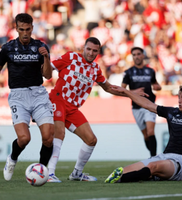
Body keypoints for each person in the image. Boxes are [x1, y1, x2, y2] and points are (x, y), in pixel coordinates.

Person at [47, 37, 135, 183]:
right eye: (89, 49)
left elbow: (108, 88)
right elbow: (49, 68)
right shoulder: (71, 57)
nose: (91, 53)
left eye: (95, 51)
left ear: (98, 52)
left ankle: (76, 173)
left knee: (91, 140)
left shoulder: (95, 69)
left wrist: (131, 94)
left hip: (72, 108)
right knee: (59, 133)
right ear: (83, 48)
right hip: (58, 99)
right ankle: (50, 173)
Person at [0, 13, 54, 181]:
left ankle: (41, 171)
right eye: (22, 30)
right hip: (18, 96)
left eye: (28, 29)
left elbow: (48, 76)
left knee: (48, 137)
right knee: (24, 138)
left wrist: (46, 58)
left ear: (32, 28)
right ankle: (12, 158)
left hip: (38, 93)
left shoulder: (41, 47)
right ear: (16, 29)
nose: (25, 33)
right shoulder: (7, 48)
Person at [122, 47, 162, 157]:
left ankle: (153, 158)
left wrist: (157, 87)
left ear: (143, 55)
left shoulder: (150, 71)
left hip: (149, 105)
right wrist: (135, 92)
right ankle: (152, 155)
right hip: (136, 107)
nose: (136, 56)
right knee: (145, 135)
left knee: (150, 132)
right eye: (134, 54)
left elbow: (156, 84)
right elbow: (122, 89)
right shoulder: (128, 72)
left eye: (138, 54)